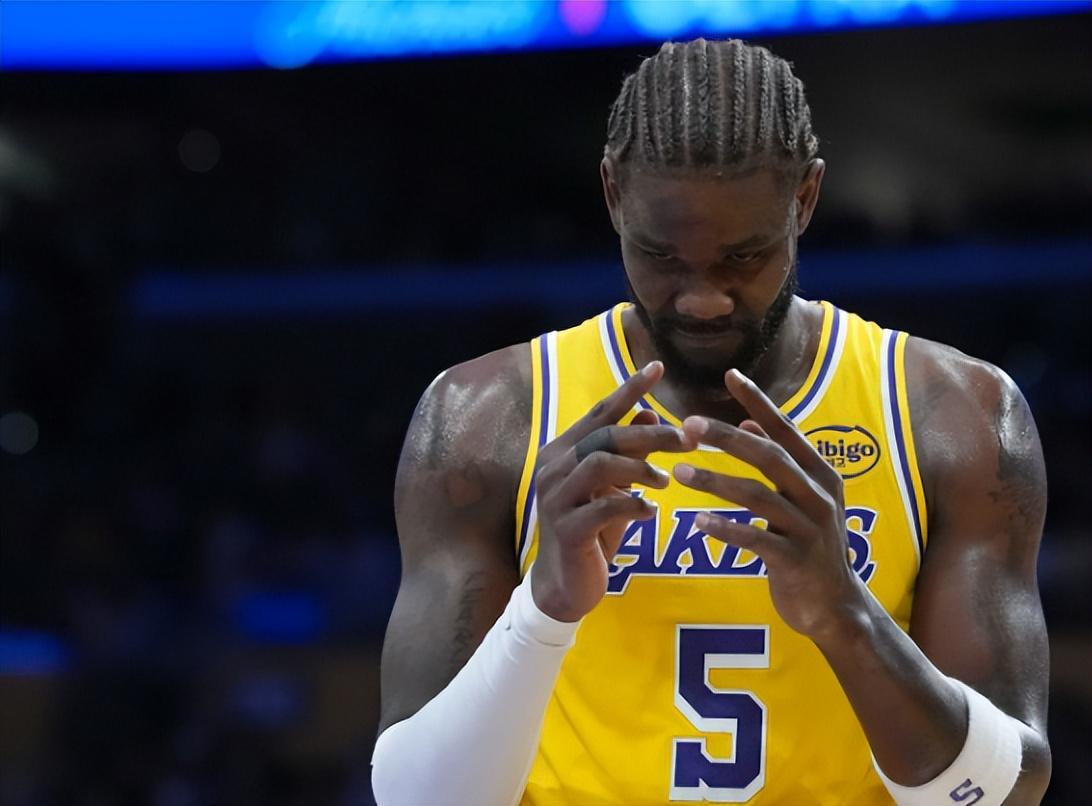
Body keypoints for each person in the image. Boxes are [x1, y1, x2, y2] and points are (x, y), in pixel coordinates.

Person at [371, 38, 1050, 805]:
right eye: (661, 257)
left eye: (743, 257)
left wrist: (845, 615)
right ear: (612, 194)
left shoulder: (953, 416)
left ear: (805, 198)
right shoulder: (485, 418)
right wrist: (542, 610)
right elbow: (417, 799)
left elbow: (1003, 795)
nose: (701, 299)